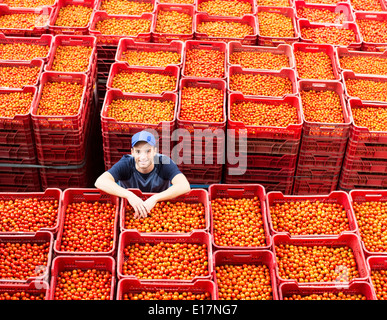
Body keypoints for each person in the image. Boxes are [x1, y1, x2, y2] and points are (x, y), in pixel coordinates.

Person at [95, 130, 191, 219]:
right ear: (132, 152)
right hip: (131, 208)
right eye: (138, 151)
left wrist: (155, 198)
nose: (143, 157)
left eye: (148, 151)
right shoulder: (126, 163)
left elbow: (184, 185)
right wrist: (129, 195)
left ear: (155, 151)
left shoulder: (164, 162)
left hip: (160, 209)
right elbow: (100, 182)